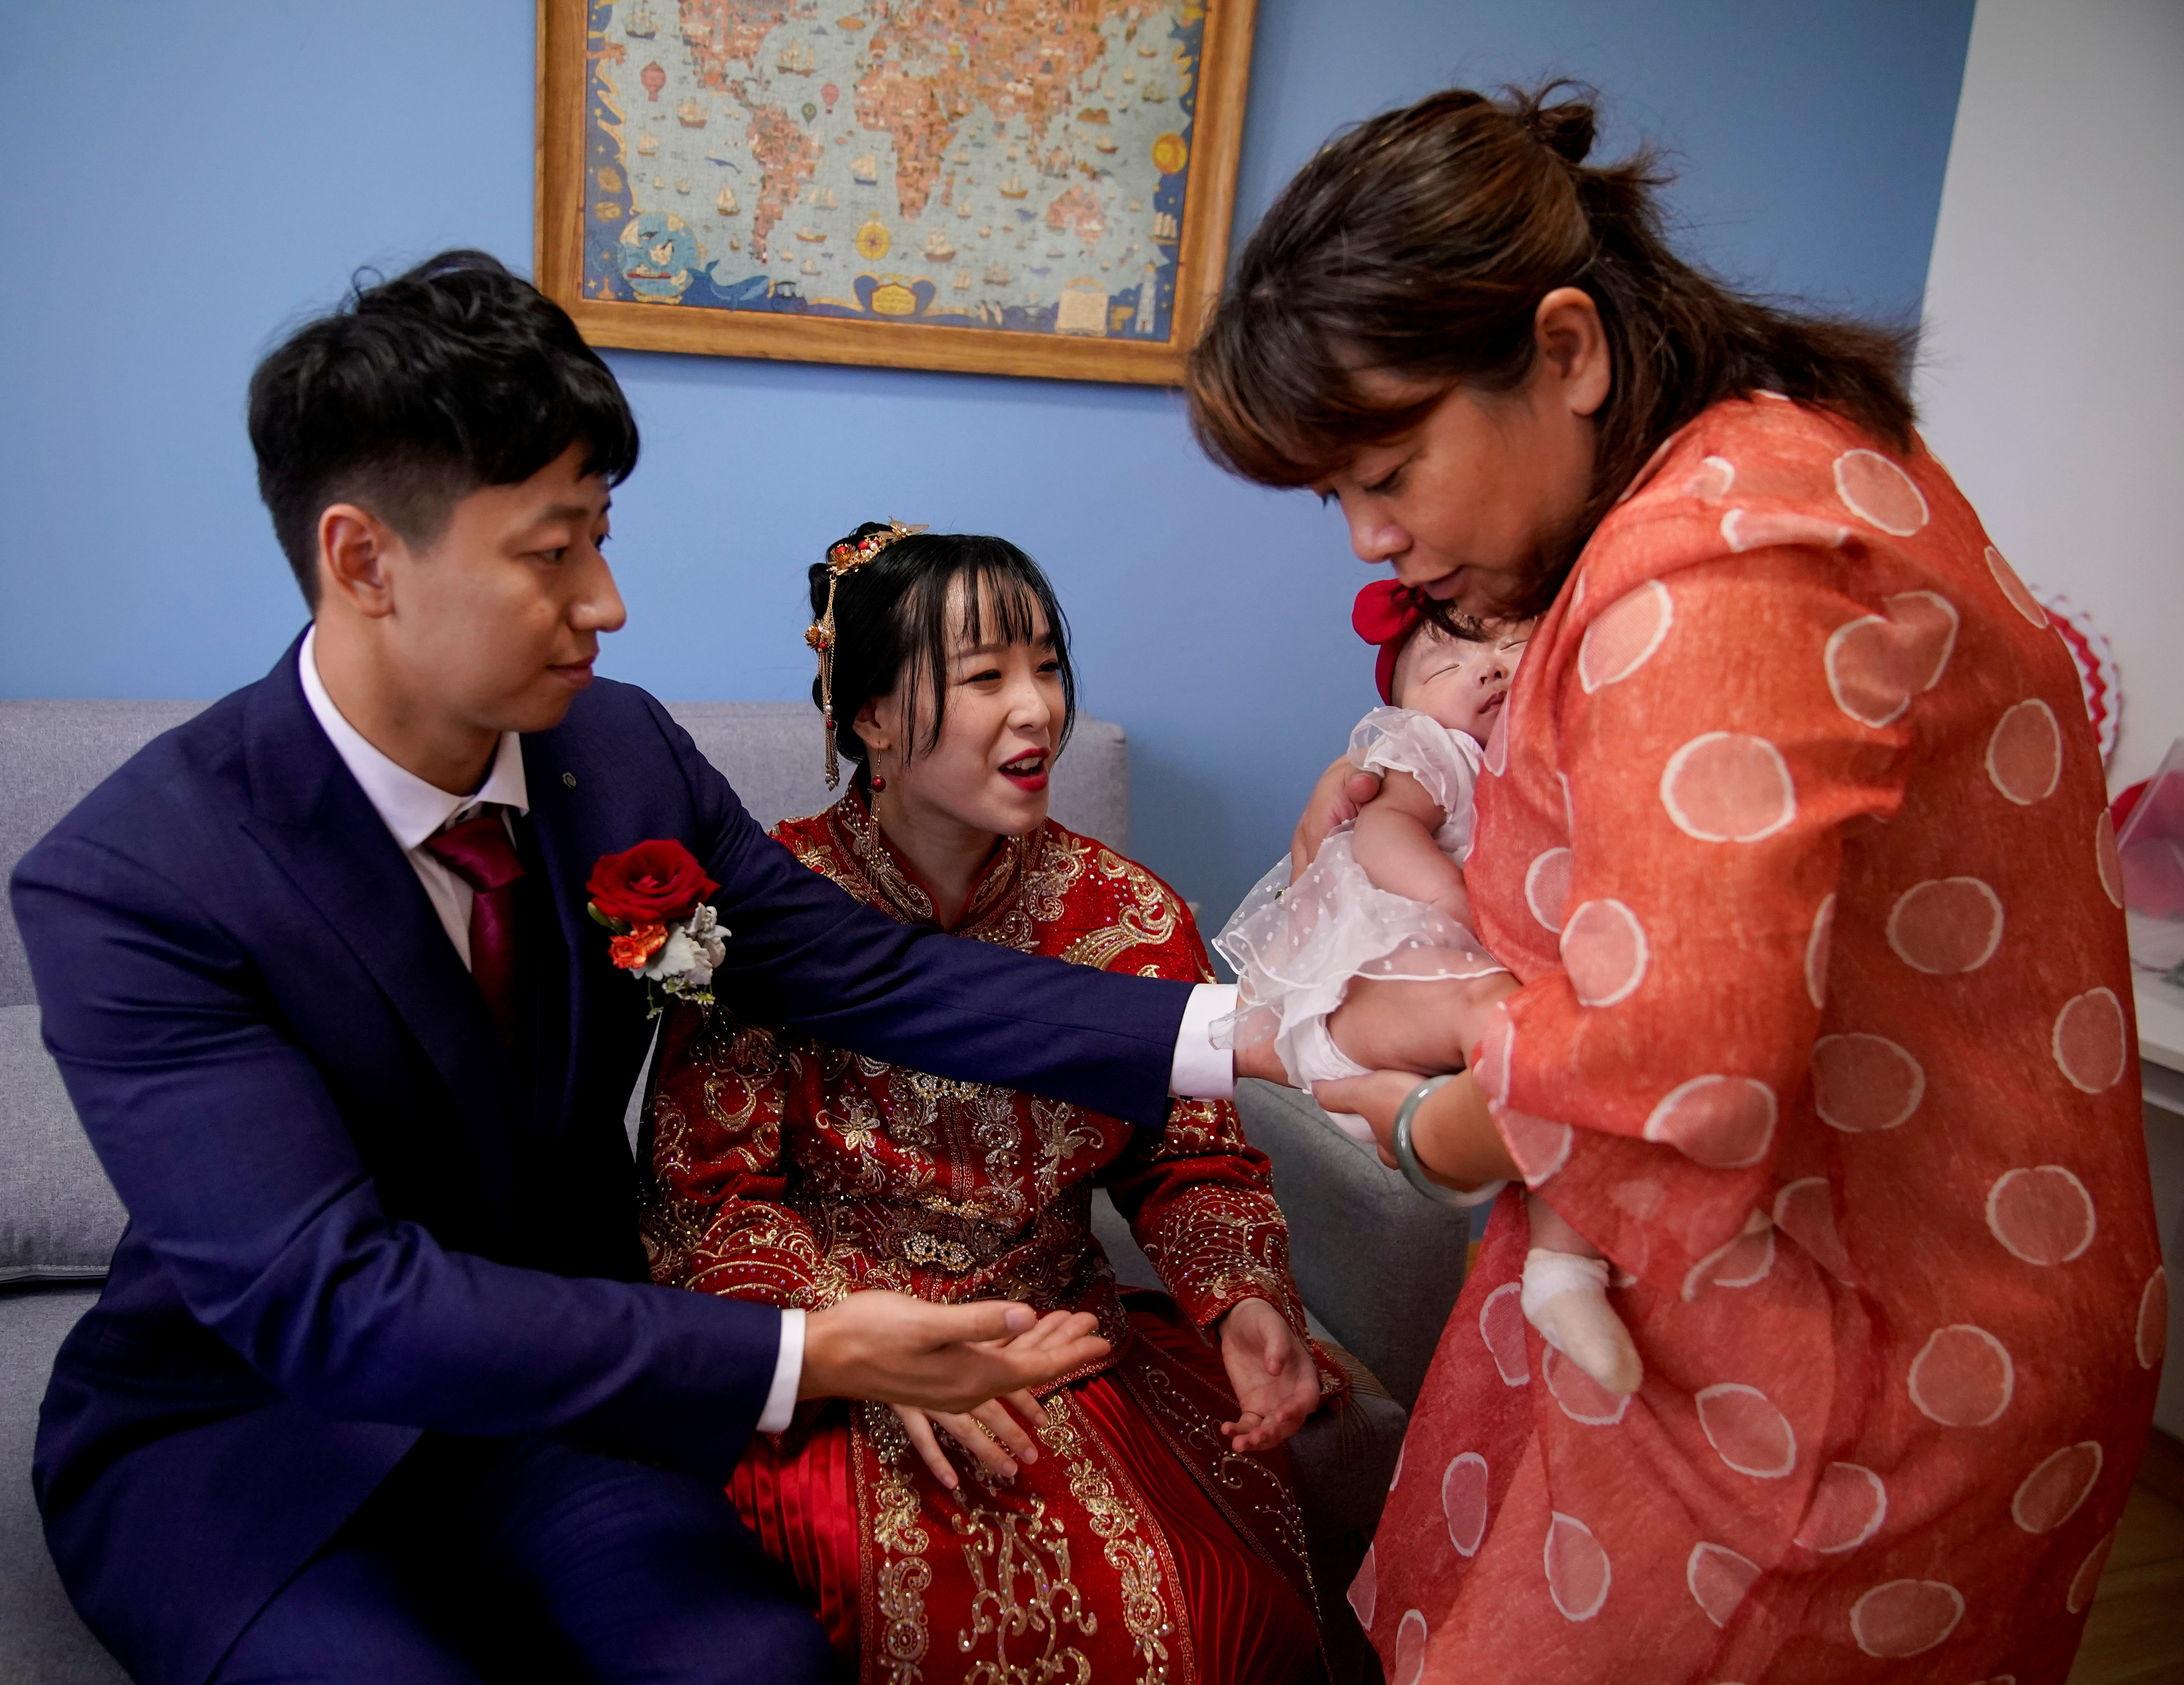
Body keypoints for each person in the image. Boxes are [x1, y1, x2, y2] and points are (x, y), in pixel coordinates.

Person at [10, 254, 1255, 1685]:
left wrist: (1256, 1037)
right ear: (364, 561)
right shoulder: (137, 878)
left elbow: (871, 975)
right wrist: (812, 1354)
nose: (607, 602)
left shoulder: (621, 752)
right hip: (258, 1435)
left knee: (753, 1668)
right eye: (552, 554)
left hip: (551, 1414)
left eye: (603, 535)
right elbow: (332, 1304)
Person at [1184, 86, 2160, 1683]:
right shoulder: (1750, 480)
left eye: (1392, 467)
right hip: (1760, 1287)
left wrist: (1428, 1125)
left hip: (1858, 1354)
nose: (1369, 539)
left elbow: (1683, 1059)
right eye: (1335, 494)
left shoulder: (1722, 560)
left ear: (1566, 352)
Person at [642, 524, 1350, 1683]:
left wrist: (1240, 1303)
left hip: (1061, 1346)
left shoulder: (1125, 914)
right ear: (868, 716)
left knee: (1207, 1617)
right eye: (985, 677)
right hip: (842, 1352)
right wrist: (852, 1342)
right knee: (859, 1594)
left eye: (1049, 668)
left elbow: (1190, 1160)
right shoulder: (771, 914)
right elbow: (709, 1193)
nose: (1037, 711)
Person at [1216, 589, 1642, 1395]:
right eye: (1449, 662)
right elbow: (1383, 828)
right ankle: (1373, 1103)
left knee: (1549, 1058)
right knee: (1518, 1033)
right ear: (1402, 701)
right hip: (1377, 962)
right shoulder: (1432, 747)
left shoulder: (1548, 749)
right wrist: (1451, 900)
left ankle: (1564, 1261)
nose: (1487, 667)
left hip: (1426, 990)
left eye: (1509, 650)